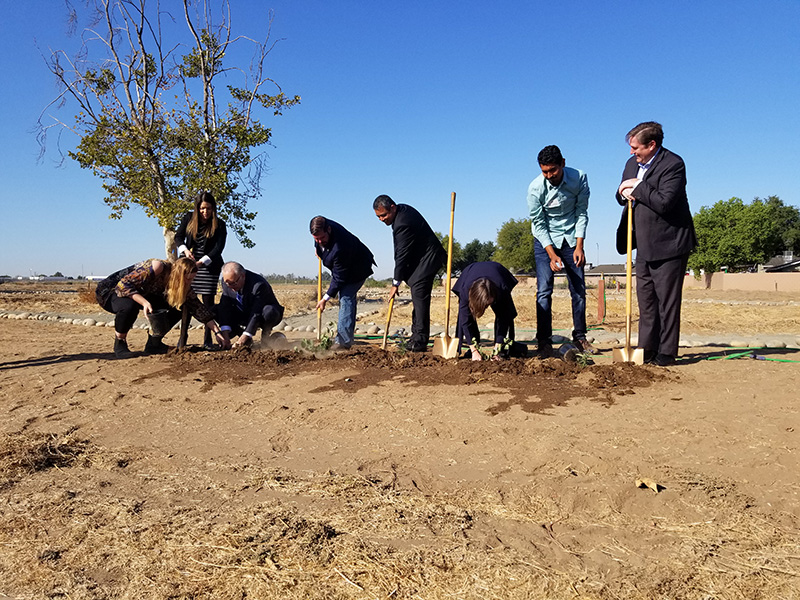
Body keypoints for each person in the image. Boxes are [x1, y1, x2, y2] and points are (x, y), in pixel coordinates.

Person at [616, 121, 696, 366]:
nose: (632, 152)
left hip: (670, 244)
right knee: (647, 301)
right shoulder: (632, 164)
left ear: (652, 145)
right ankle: (646, 349)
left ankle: (666, 352)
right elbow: (623, 193)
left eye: (636, 147)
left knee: (667, 302)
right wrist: (622, 192)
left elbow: (664, 202)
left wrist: (638, 186)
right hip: (642, 242)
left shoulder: (673, 164)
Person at [527, 144, 595, 358]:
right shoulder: (535, 188)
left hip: (571, 238)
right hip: (545, 240)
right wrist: (551, 254)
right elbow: (538, 224)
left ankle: (580, 337)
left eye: (553, 170)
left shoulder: (579, 178)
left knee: (578, 289)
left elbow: (582, 212)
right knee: (544, 291)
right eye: (544, 171)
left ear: (563, 163)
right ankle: (544, 342)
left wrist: (579, 246)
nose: (549, 175)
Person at [95, 257, 228, 358]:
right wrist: (144, 302)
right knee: (129, 306)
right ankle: (120, 342)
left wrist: (217, 331)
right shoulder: (158, 267)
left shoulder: (184, 287)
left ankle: (154, 343)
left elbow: (198, 308)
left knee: (179, 305)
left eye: (192, 279)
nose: (189, 282)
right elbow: (124, 285)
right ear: (179, 275)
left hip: (141, 294)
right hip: (110, 292)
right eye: (188, 279)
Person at [373, 195, 446, 352]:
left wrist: (395, 282)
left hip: (429, 259)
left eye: (384, 215)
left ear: (392, 207)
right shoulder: (402, 210)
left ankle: (419, 342)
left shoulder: (402, 223)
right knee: (416, 294)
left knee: (419, 296)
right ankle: (416, 337)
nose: (381, 219)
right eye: (378, 216)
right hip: (422, 259)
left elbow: (402, 255)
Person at [310, 216, 376, 350]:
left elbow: (339, 278)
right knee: (347, 298)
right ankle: (347, 337)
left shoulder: (340, 247)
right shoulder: (320, 227)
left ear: (328, 230)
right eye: (316, 239)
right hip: (345, 266)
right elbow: (319, 240)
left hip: (357, 268)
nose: (319, 241)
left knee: (345, 297)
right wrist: (319, 249)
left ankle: (343, 342)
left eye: (321, 238)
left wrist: (325, 298)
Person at [175, 191, 228, 348]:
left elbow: (218, 249)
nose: (205, 212)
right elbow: (178, 237)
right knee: (187, 301)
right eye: (202, 208)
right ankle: (182, 338)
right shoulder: (188, 219)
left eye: (209, 208)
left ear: (213, 209)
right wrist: (185, 251)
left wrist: (202, 262)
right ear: (197, 208)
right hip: (189, 265)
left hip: (209, 266)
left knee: (207, 303)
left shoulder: (220, 225)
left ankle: (208, 340)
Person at [452, 261, 520, 361]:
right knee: (467, 315)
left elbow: (503, 318)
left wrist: (497, 349)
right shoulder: (465, 291)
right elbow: (465, 321)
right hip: (469, 272)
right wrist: (474, 350)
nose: (487, 307)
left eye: (489, 304)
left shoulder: (502, 289)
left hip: (499, 273)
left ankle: (501, 348)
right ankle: (473, 350)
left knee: (505, 314)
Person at [217, 261, 285, 349]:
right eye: (227, 283)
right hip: (243, 313)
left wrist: (245, 336)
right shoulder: (226, 282)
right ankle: (241, 334)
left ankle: (265, 338)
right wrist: (225, 334)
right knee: (216, 310)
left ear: (242, 276)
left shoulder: (258, 285)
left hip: (263, 314)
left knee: (269, 311)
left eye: (233, 283)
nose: (230, 286)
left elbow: (256, 312)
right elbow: (224, 306)